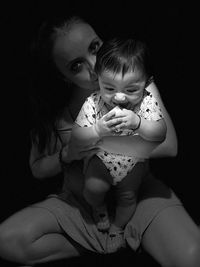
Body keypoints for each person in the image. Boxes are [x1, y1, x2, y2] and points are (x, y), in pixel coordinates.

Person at [0, 14, 200, 267]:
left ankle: (131, 232)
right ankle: (95, 243)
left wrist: (102, 141)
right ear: (62, 75)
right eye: (76, 65)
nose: (94, 65)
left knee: (192, 256)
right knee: (7, 240)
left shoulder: (134, 79)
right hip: (81, 203)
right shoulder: (58, 111)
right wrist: (67, 154)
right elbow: (38, 168)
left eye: (95, 47)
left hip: (137, 193)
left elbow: (169, 146)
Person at [72, 37, 167, 253]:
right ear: (98, 80)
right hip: (102, 158)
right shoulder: (93, 103)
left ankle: (117, 228)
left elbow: (160, 134)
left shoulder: (147, 102)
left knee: (127, 198)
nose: (120, 97)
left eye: (132, 89)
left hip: (133, 163)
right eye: (109, 87)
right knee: (92, 189)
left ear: (146, 82)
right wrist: (96, 130)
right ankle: (100, 208)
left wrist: (140, 123)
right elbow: (77, 136)